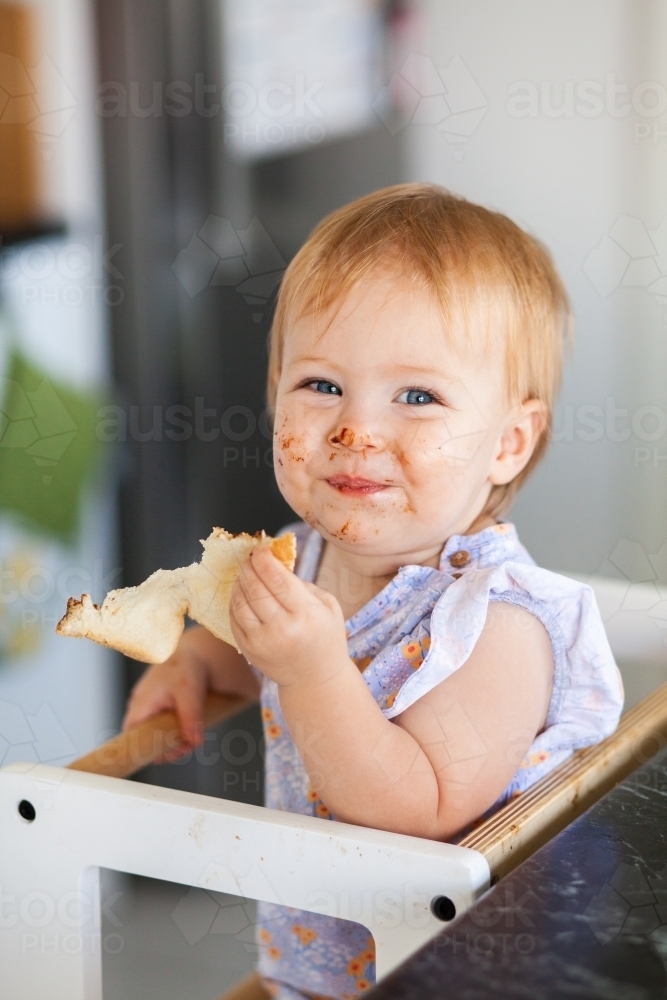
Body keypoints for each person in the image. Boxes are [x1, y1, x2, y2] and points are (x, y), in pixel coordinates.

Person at [123, 184, 623, 1000]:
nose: (356, 431)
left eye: (417, 398)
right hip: (319, 965)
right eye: (320, 386)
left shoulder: (498, 625)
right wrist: (198, 663)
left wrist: (314, 669)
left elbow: (415, 810)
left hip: (447, 975)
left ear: (506, 442)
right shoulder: (301, 554)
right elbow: (256, 650)